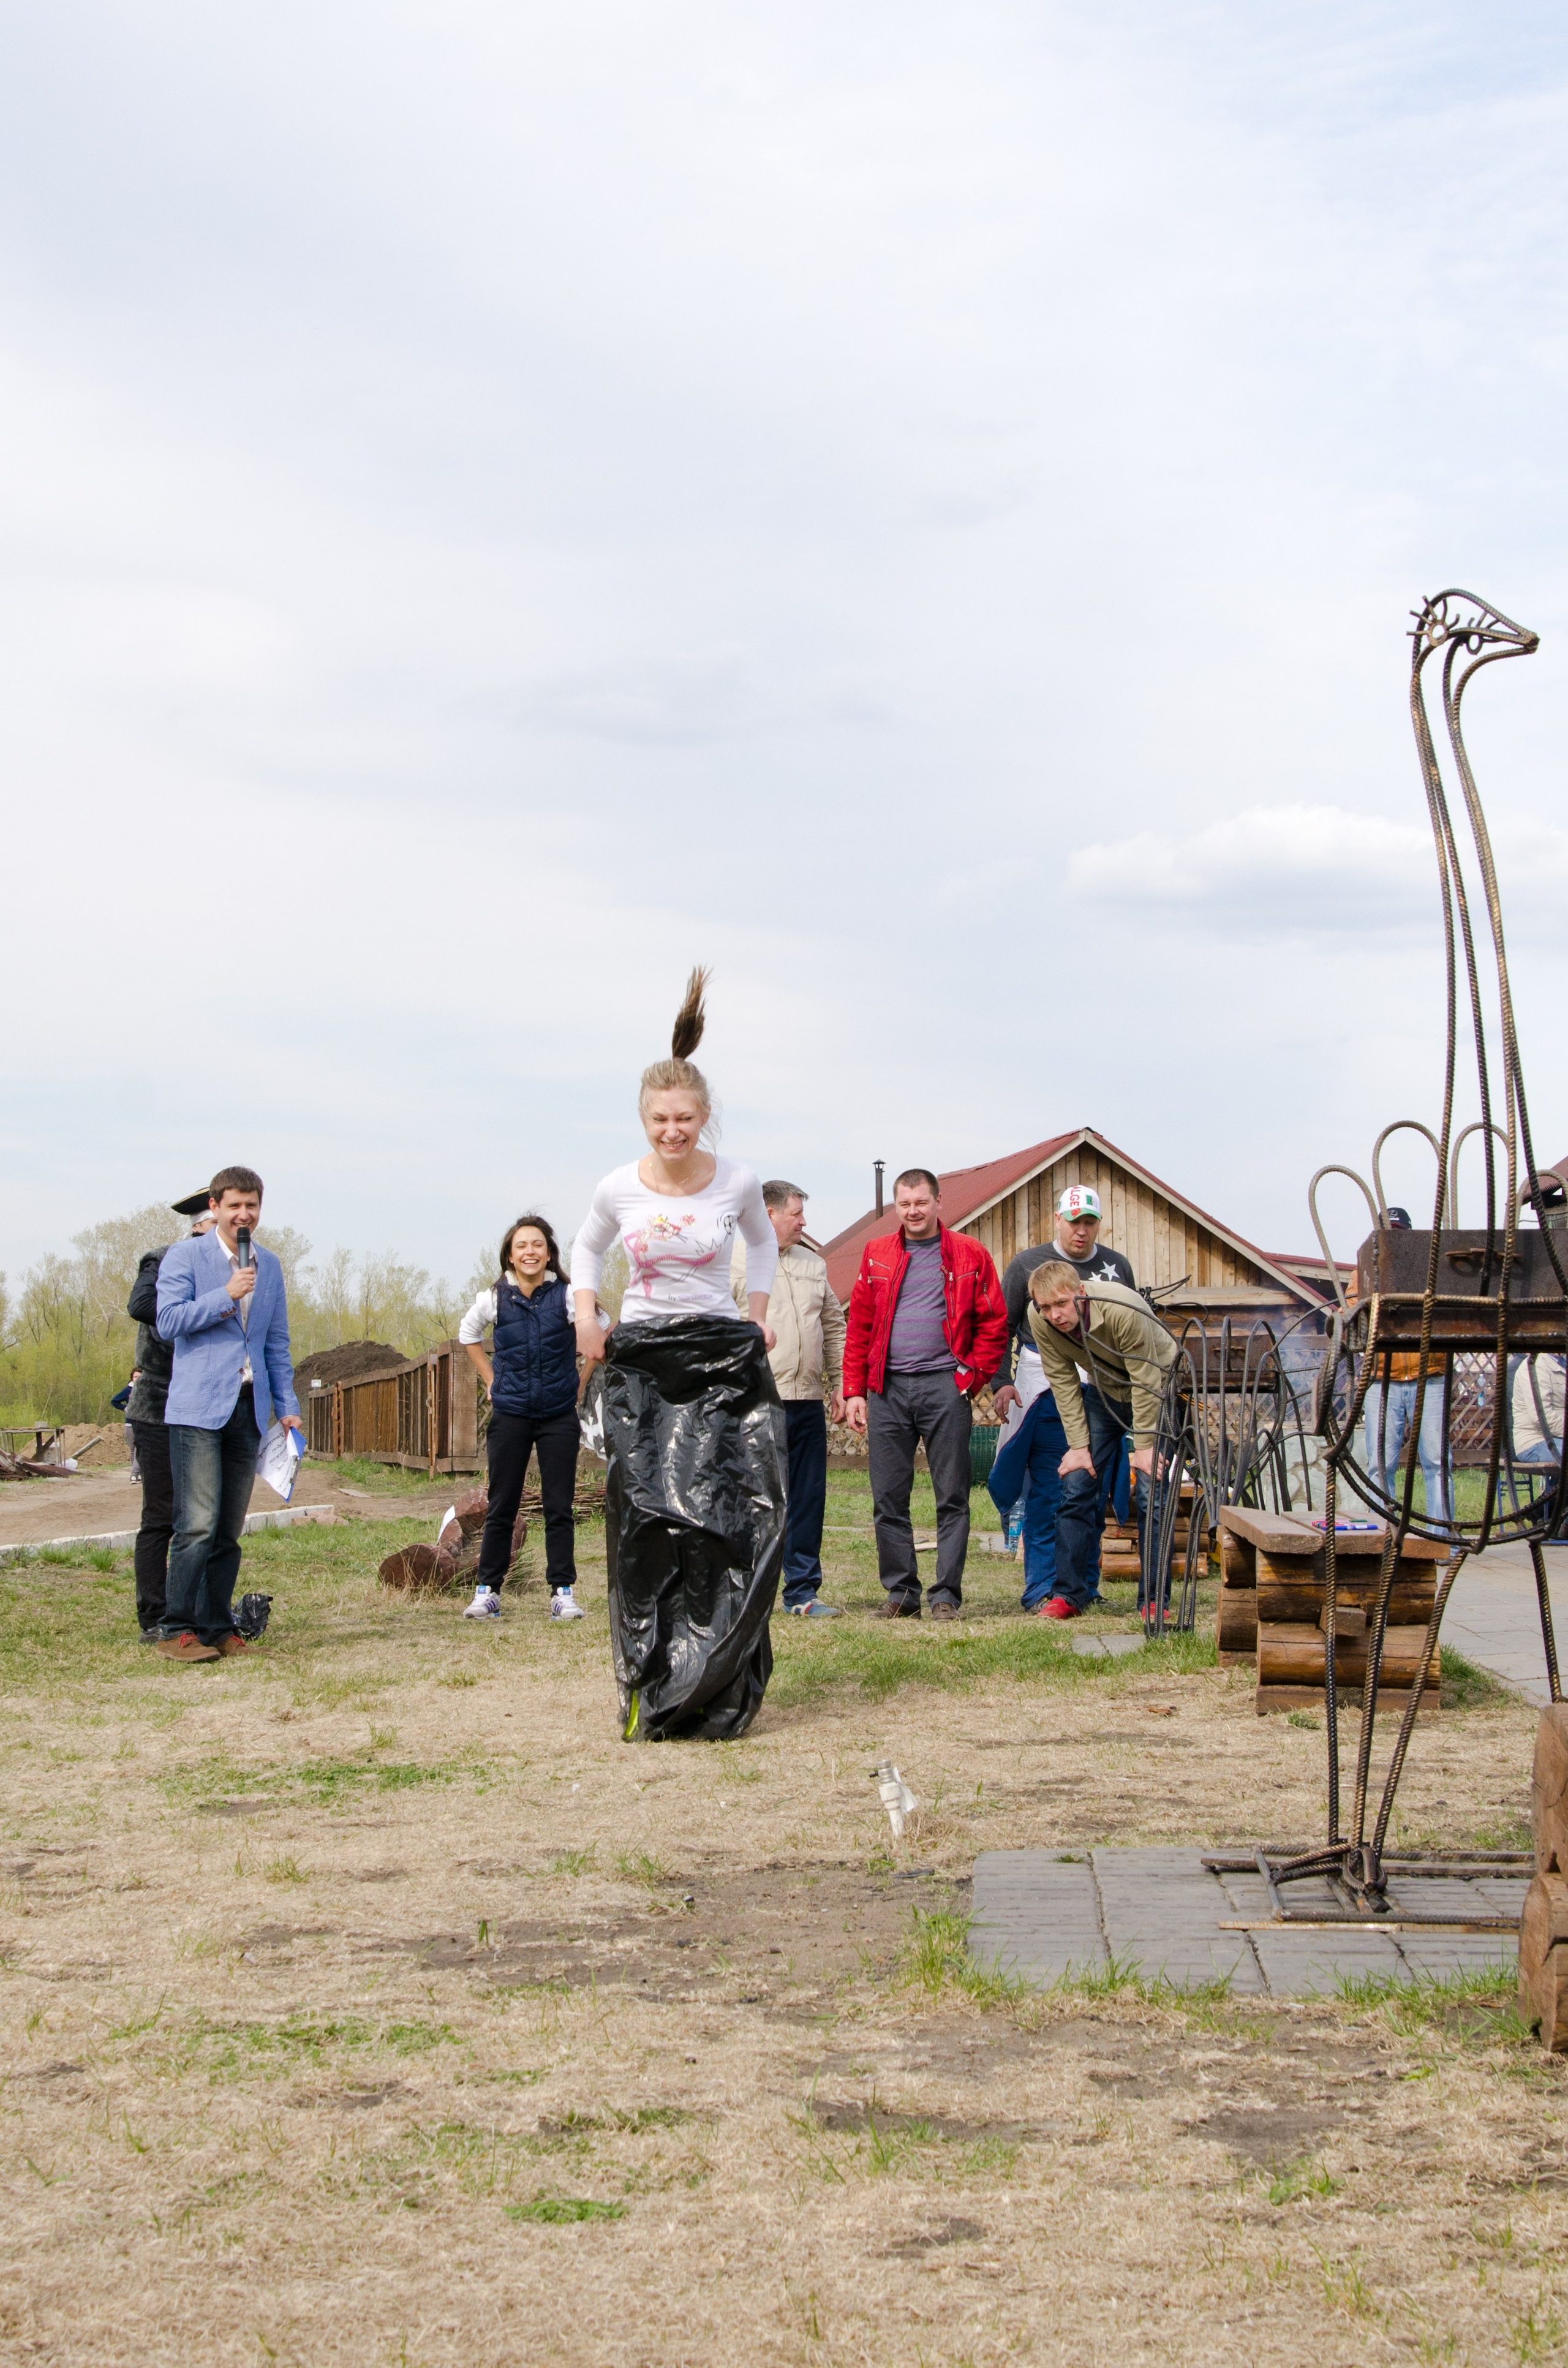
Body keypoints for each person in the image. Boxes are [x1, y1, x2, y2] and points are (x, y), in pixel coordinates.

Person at [570, 967, 786, 1740]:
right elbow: (586, 1254)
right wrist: (586, 1318)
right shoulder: (617, 1189)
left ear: (704, 1117)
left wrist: (757, 1316)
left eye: (685, 1118)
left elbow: (762, 1248)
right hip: (643, 1362)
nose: (673, 1131)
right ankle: (651, 1677)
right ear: (644, 1117)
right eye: (660, 1119)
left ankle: (718, 1682)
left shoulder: (735, 1181)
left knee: (728, 1514)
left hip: (720, 1361)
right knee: (646, 1515)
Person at [842, 1169, 1008, 1621]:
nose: (913, 1210)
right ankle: (901, 1593)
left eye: (921, 1202)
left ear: (938, 1202)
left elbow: (994, 1323)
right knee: (887, 1497)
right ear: (897, 1206)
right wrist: (854, 1389)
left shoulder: (970, 1253)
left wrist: (969, 1378)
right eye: (904, 1203)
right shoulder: (877, 1253)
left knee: (952, 1494)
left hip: (944, 1386)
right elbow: (858, 1326)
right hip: (887, 1389)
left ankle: (946, 1595)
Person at [154, 1166, 301, 1664]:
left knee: (228, 1529)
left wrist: (288, 1407)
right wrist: (226, 1296)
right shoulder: (186, 1256)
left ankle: (217, 1625)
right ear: (214, 1206)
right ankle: (176, 1628)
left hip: (249, 1409)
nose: (244, 1214)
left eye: (252, 1205)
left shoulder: (272, 1266)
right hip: (197, 1407)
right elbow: (168, 1321)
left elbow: (276, 1343)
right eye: (234, 1204)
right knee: (195, 1523)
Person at [989, 1186, 1137, 1613]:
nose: (1082, 1229)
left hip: (1103, 1389)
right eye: (1074, 1220)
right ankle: (1041, 1588)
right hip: (1046, 1386)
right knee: (1049, 1490)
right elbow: (1003, 1323)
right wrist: (1002, 1380)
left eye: (1090, 1221)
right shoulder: (1027, 1264)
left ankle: (1082, 1586)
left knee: (1090, 1489)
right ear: (1058, 1219)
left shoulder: (1114, 1266)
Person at [1025, 1262, 1177, 1620]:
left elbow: (1146, 1378)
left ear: (1080, 1291)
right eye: (1046, 1307)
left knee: (1151, 1490)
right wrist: (1078, 1447)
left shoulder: (1122, 1307)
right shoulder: (1039, 1317)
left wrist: (1143, 1448)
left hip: (1159, 1387)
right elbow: (1062, 1380)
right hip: (1105, 1390)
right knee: (1076, 1483)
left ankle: (1154, 1601)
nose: (1054, 1315)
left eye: (1061, 1304)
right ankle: (1069, 1594)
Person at [458, 1215, 584, 1623]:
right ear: (510, 1256)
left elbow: (597, 1336)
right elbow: (468, 1335)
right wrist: (491, 1378)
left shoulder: (568, 1296)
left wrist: (578, 1383)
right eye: (521, 1246)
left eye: (537, 1245)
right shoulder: (494, 1299)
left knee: (559, 1505)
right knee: (502, 1503)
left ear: (549, 1253)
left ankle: (562, 1592)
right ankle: (488, 1592)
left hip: (558, 1415)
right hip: (511, 1412)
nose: (530, 1252)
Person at [731, 1179, 847, 1618]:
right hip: (755, 1403)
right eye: (796, 1214)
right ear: (768, 1214)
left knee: (808, 1498)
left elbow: (834, 1326)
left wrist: (840, 1384)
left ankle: (802, 1592)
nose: (804, 1222)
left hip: (807, 1401)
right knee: (754, 1500)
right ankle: (747, 1594)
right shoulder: (731, 1260)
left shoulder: (812, 1264)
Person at [123, 1193, 218, 1640]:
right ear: (200, 1225)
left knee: (198, 1516)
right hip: (158, 1406)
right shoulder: (164, 1260)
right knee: (161, 1514)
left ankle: (195, 1609)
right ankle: (155, 1616)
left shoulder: (231, 1267)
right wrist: (183, 1318)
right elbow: (142, 1305)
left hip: (203, 1406)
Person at [1362, 1207, 1452, 1524]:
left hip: (1430, 1375)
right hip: (1381, 1379)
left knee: (1437, 1461)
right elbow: (1353, 1306)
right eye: (1390, 1232)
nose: (1395, 1238)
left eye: (1401, 1232)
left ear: (1410, 1234)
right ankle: (1381, 1537)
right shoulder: (1368, 1268)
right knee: (1379, 1463)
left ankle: (1443, 1541)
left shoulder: (1431, 1266)